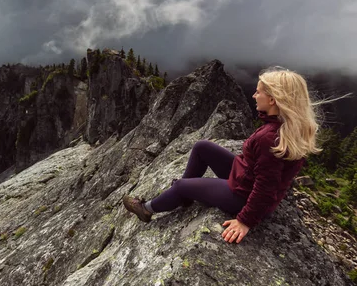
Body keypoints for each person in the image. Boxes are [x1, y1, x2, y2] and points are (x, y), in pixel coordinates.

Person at [122, 66, 336, 244]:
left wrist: (245, 221)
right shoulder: (284, 125)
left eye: (259, 92)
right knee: (202, 147)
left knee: (179, 185)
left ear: (273, 100)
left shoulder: (270, 137)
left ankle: (147, 209)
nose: (254, 95)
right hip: (244, 176)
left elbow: (266, 187)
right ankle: (186, 196)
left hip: (241, 196)